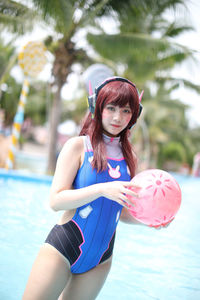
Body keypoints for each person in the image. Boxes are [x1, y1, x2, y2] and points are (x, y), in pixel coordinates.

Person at [23, 76, 144, 300]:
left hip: (101, 258)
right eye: (111, 108)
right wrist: (101, 189)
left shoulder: (130, 158)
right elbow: (55, 201)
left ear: (134, 115)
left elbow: (122, 210)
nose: (118, 117)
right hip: (63, 247)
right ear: (97, 107)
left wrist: (151, 220)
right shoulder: (78, 146)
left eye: (126, 111)